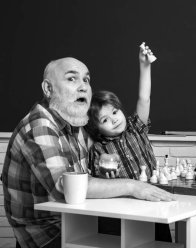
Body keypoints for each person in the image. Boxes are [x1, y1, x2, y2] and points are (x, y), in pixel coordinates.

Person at [2, 56, 175, 248]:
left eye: (86, 79)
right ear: (48, 89)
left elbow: (93, 158)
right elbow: (67, 188)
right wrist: (133, 186)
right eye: (71, 78)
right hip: (49, 235)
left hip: (77, 221)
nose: (83, 86)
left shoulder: (74, 125)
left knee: (145, 232)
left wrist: (102, 164)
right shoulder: (39, 127)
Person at [85, 44, 172, 242]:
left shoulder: (135, 128)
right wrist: (103, 171)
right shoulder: (97, 148)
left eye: (115, 112)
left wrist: (144, 66)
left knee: (160, 242)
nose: (114, 119)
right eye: (105, 120)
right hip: (118, 211)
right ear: (96, 128)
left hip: (151, 202)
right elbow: (94, 179)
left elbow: (144, 98)